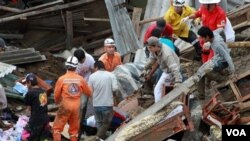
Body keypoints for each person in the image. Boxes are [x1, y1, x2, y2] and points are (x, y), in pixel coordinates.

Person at [53, 56, 92, 141]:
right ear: (76, 67)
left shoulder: (62, 79)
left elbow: (56, 94)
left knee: (57, 129)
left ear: (66, 66)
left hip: (65, 104)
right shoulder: (80, 79)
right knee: (74, 131)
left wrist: (57, 101)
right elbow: (89, 92)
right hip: (76, 106)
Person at [197, 26, 235, 99]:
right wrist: (224, 41)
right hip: (217, 58)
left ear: (207, 36)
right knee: (200, 71)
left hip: (223, 62)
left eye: (202, 37)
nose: (201, 39)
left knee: (205, 72)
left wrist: (233, 72)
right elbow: (221, 29)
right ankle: (201, 95)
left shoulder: (217, 44)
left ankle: (223, 79)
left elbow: (228, 57)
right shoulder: (214, 33)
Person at [144, 37, 182, 103]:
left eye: (150, 47)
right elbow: (152, 59)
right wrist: (145, 68)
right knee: (160, 89)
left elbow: (174, 68)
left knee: (159, 89)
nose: (149, 49)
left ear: (156, 46)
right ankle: (162, 105)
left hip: (171, 72)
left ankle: (160, 107)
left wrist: (178, 81)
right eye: (148, 47)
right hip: (165, 70)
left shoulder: (166, 54)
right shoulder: (154, 50)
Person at [88, 61, 119, 140]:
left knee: (99, 122)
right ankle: (98, 137)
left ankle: (101, 137)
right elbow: (115, 88)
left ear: (96, 67)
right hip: (107, 104)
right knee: (106, 123)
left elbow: (90, 91)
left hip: (96, 104)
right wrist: (115, 97)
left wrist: (92, 101)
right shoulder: (111, 75)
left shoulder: (92, 76)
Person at [73, 49, 95, 139]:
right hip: (79, 85)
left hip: (89, 83)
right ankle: (78, 124)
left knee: (86, 104)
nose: (82, 61)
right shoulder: (74, 64)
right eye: (80, 61)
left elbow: (93, 70)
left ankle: (82, 122)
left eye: (83, 60)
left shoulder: (89, 58)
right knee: (81, 105)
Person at [23, 73, 51, 141]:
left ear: (29, 82)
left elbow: (28, 108)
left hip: (36, 120)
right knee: (43, 138)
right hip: (45, 119)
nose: (26, 85)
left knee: (26, 137)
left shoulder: (30, 93)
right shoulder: (43, 91)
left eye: (26, 83)